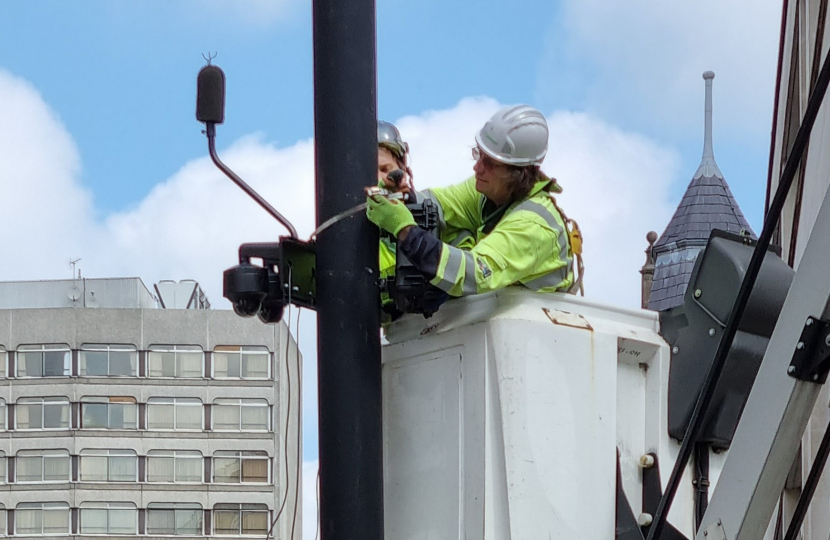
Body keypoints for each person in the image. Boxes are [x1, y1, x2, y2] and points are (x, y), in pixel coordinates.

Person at [367, 105, 575, 299]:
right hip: (485, 320)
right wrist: (402, 196)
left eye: (490, 163)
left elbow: (474, 274)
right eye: (479, 154)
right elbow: (437, 204)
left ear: (518, 173)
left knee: (452, 248)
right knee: (448, 229)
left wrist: (406, 231)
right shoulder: (489, 190)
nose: (477, 168)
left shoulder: (533, 227)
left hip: (529, 330)